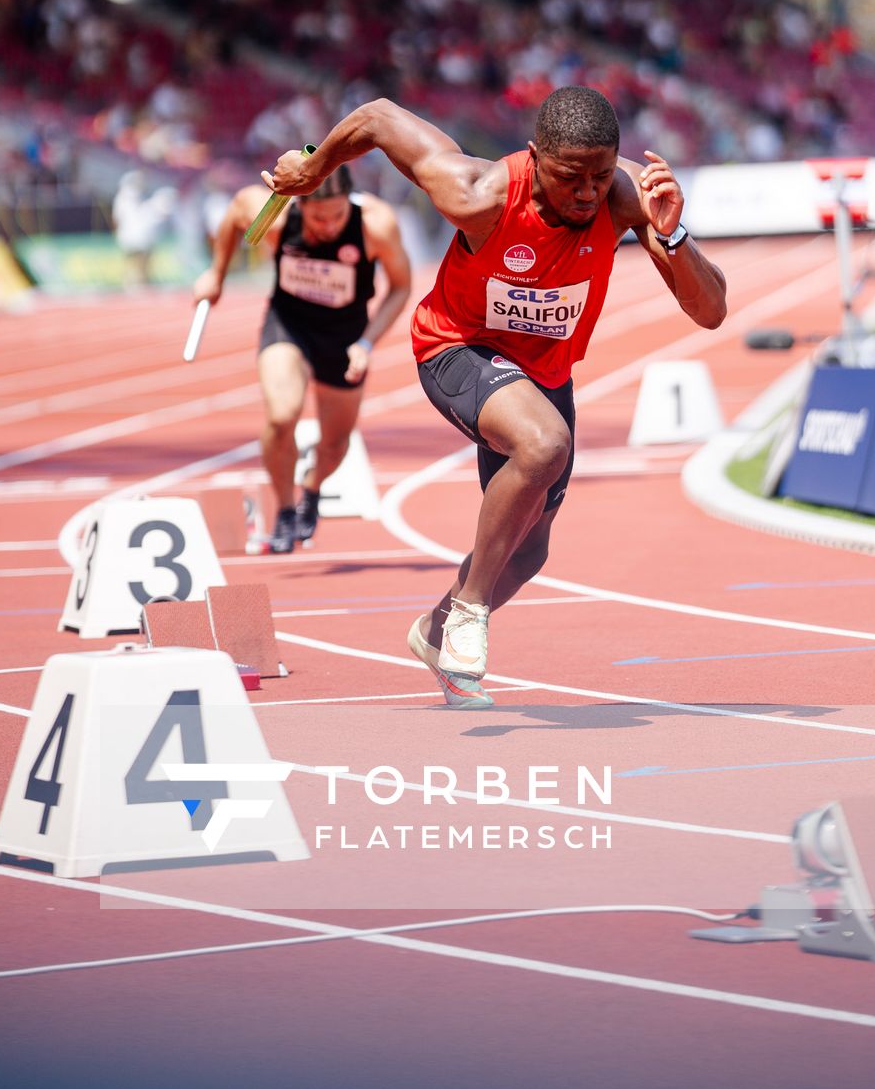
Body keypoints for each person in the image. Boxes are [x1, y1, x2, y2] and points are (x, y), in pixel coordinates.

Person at [264, 87, 727, 706]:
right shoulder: (477, 192)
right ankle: (469, 610)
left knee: (529, 549)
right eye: (570, 179)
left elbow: (712, 313)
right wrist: (315, 166)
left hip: (544, 372)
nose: (588, 193)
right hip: (457, 347)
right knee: (544, 445)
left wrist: (671, 238)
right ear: (535, 158)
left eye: (599, 175)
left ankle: (434, 632)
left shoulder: (627, 196)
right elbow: (377, 117)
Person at [193, 165, 411, 552]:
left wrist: (367, 343)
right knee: (281, 416)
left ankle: (312, 488)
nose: (327, 226)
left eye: (337, 216)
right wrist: (216, 273)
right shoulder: (276, 214)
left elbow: (400, 286)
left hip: (346, 337)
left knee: (335, 442)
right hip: (289, 324)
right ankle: (285, 509)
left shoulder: (375, 224)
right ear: (300, 205)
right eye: (317, 218)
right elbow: (234, 216)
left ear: (351, 203)